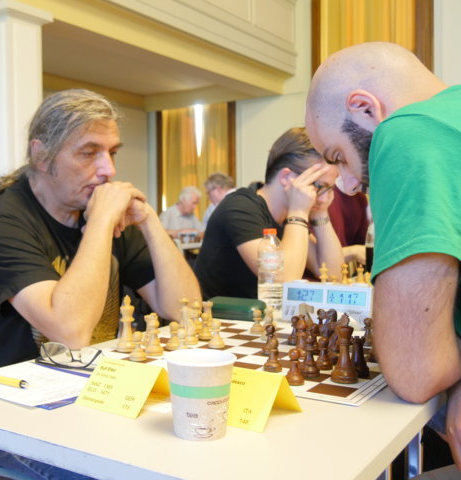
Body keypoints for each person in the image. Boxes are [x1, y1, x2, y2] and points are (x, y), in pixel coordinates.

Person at [0, 89, 200, 479]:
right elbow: (71, 331)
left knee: (184, 449)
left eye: (112, 153)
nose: (108, 170)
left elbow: (185, 308)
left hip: (78, 394)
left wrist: (148, 220)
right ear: (42, 155)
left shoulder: (98, 211)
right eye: (88, 153)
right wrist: (101, 222)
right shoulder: (4, 220)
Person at [305, 41, 461, 474]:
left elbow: (415, 372)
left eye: (338, 157)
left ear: (365, 108)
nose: (348, 184)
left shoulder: (407, 131)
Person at [194, 127, 344, 300]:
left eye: (329, 189)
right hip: (219, 315)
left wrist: (320, 212)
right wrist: (299, 211)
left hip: (262, 314)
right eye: (319, 186)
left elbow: (333, 275)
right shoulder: (240, 207)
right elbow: (285, 280)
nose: (324, 197)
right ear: (286, 178)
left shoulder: (288, 216)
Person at [328, 184, 369, 267]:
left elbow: (363, 248)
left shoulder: (360, 199)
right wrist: (353, 251)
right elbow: (313, 254)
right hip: (317, 272)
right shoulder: (318, 197)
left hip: (342, 271)